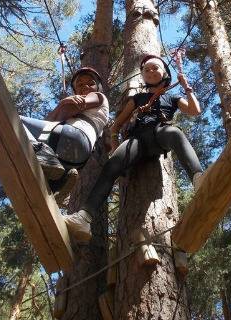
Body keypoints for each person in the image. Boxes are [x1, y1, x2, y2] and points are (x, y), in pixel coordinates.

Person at [64, 55, 204, 242]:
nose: (151, 72)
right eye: (147, 70)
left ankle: (199, 179)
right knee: (111, 166)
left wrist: (187, 86)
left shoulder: (172, 96)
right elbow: (116, 126)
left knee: (175, 133)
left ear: (164, 73)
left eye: (155, 68)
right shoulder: (137, 98)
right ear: (143, 76)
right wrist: (115, 147)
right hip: (137, 139)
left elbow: (194, 111)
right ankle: (83, 217)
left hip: (159, 133)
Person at [4, 67, 109, 201]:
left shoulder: (98, 96)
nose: (86, 86)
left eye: (90, 83)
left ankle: (42, 152)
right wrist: (63, 103)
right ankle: (59, 183)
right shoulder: (93, 109)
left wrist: (64, 106)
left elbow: (69, 110)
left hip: (73, 135)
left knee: (16, 120)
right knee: (44, 180)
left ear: (98, 87)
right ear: (75, 89)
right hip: (78, 157)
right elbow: (49, 121)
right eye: (80, 84)